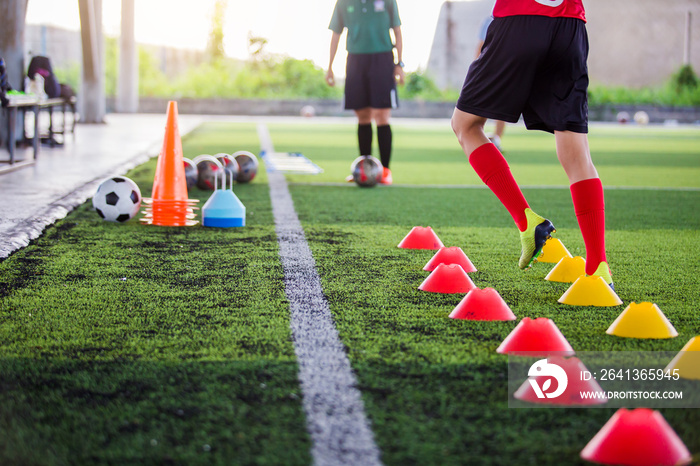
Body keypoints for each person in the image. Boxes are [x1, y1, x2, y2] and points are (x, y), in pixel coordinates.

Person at [451, 0, 614, 289]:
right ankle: (598, 267)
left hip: (519, 19)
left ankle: (528, 224)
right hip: (570, 27)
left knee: (465, 125)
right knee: (578, 154)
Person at [326, 0, 405, 185]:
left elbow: (397, 30)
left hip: (382, 58)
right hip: (355, 59)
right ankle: (364, 168)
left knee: (382, 114)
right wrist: (329, 66)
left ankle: (385, 171)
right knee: (362, 115)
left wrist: (399, 64)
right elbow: (336, 33)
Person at [475, 16, 506, 151]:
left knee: (500, 106)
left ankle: (496, 139)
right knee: (486, 104)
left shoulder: (513, 19)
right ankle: (482, 139)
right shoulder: (489, 20)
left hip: (503, 68)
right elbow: (481, 45)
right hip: (490, 68)